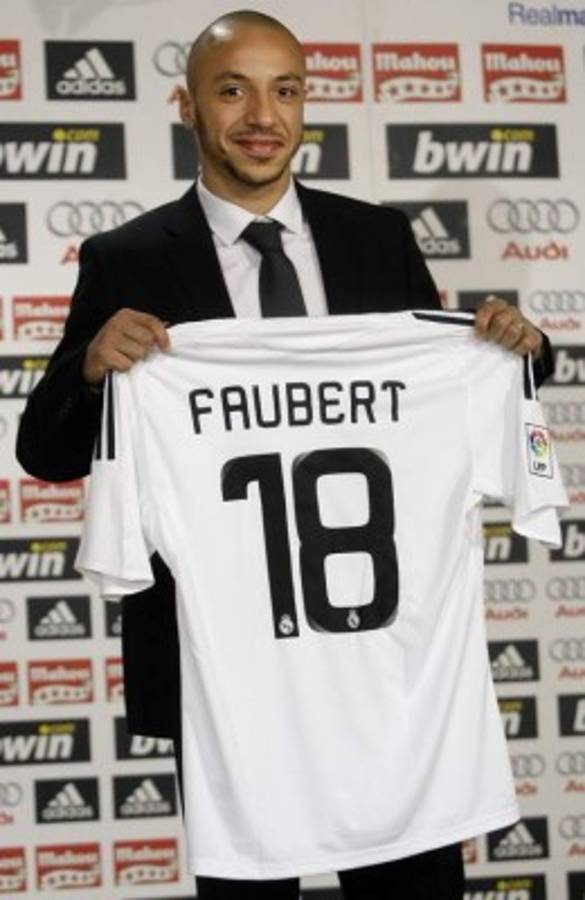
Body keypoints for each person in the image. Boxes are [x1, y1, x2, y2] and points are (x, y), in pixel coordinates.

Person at [16, 10, 552, 899]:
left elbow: (455, 382)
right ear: (187, 106)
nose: (262, 116)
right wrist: (90, 368)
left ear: (306, 104)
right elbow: (47, 451)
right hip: (224, 669)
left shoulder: (377, 238)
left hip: (381, 660)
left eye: (286, 91)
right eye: (233, 91)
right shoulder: (126, 258)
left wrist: (520, 348)